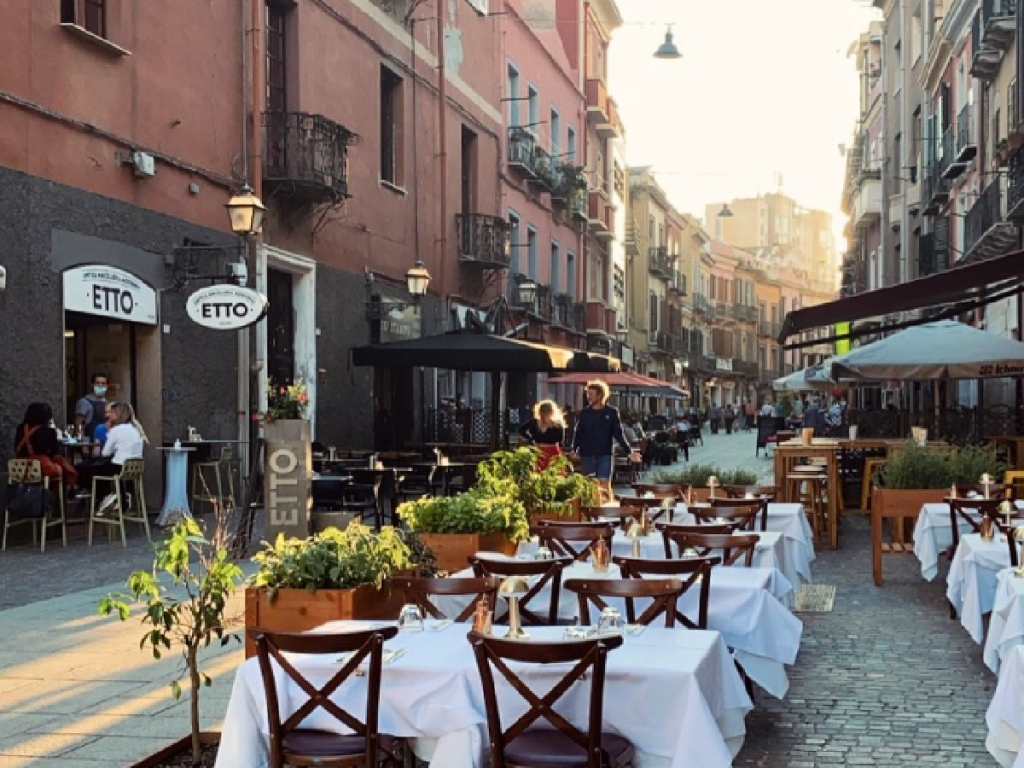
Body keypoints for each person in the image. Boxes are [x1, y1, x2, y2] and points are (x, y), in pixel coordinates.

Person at [77, 402, 147, 515]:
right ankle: (118, 498)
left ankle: (106, 498)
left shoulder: (116, 430)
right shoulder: (137, 429)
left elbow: (105, 453)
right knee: (99, 469)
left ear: (119, 414)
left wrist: (110, 432)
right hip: (134, 468)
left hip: (118, 468)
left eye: (113, 412)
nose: (110, 415)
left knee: (84, 470)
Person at [570, 380, 639, 491]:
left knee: (604, 484)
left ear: (600, 395)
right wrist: (574, 448)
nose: (588, 397)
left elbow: (618, 434)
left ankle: (606, 502)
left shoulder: (612, 412)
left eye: (591, 394)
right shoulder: (585, 413)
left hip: (605, 454)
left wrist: (629, 451)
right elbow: (578, 432)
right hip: (587, 454)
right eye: (587, 394)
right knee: (590, 486)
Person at [14, 402, 78, 486]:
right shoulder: (49, 431)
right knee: (61, 466)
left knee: (60, 461)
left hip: (18, 467)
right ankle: (69, 487)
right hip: (40, 467)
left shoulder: (20, 428)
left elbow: (16, 448)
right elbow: (54, 453)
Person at [518, 400, 565, 471]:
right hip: (552, 451)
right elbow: (560, 440)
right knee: (554, 473)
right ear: (552, 411)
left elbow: (521, 430)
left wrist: (531, 438)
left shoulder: (534, 422)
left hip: (538, 450)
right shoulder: (557, 423)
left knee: (538, 472)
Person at [74, 372, 109, 439]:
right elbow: (78, 424)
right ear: (92, 385)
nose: (100, 385)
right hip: (89, 441)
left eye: (103, 383)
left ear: (107, 386)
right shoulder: (84, 402)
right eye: (97, 383)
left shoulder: (108, 403)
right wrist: (82, 442)